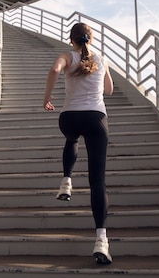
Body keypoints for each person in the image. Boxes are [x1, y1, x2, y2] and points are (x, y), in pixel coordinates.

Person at [43, 22, 114, 264]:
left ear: (71, 39)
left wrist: (47, 97)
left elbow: (54, 70)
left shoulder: (66, 56)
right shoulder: (100, 58)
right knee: (97, 181)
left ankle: (66, 181)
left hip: (69, 118)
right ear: (90, 39)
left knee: (71, 139)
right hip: (96, 118)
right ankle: (101, 240)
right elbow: (110, 90)